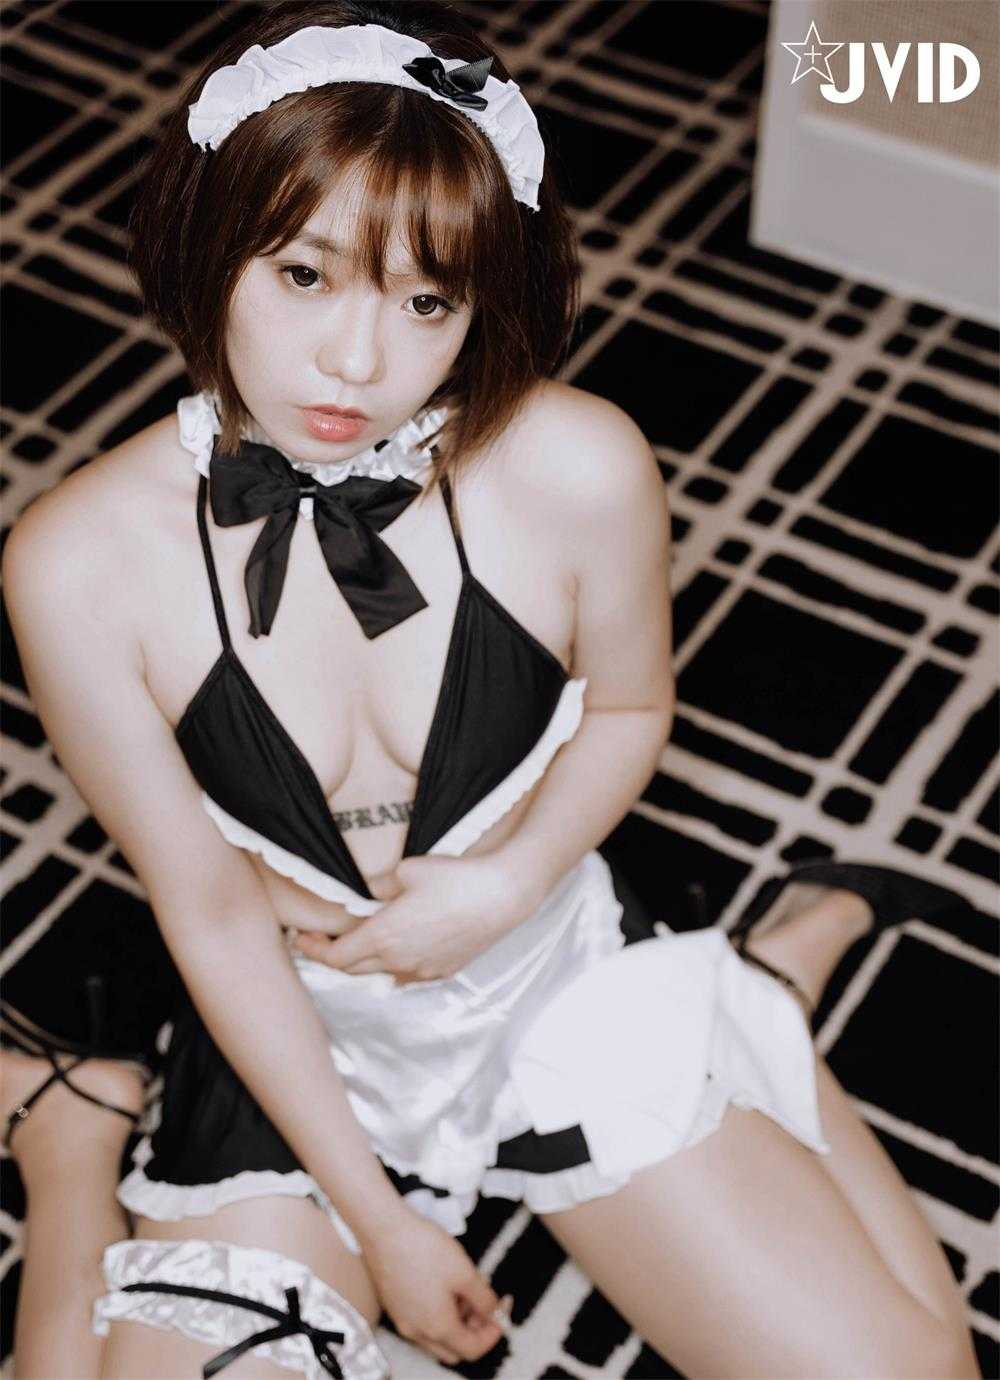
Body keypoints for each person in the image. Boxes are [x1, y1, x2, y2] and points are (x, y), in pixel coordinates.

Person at [0, 3, 981, 1377]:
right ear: (207, 244)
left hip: (548, 975)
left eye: (426, 301)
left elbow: (630, 713)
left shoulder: (580, 466)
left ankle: (753, 985)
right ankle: (71, 1137)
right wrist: (382, 1224)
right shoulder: (74, 563)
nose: (357, 363)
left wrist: (504, 884)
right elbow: (210, 907)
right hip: (295, 1037)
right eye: (305, 275)